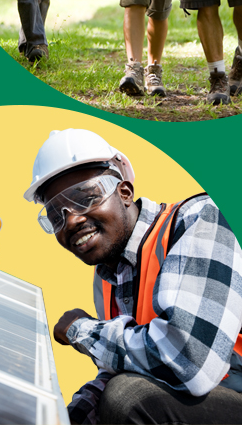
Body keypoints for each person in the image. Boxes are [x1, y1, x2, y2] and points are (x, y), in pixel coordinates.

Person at [24, 128, 242, 424]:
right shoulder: (107, 278)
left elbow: (191, 361)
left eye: (85, 198)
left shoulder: (199, 220)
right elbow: (124, 367)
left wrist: (81, 330)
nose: (71, 220)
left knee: (128, 397)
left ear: (124, 192)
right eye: (55, 216)